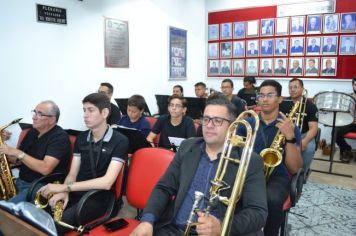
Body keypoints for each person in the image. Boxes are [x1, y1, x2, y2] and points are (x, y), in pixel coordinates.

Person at [130, 94, 268, 236]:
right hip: (174, 229)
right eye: (206, 119)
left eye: (218, 120)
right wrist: (147, 220)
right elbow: (164, 187)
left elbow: (257, 212)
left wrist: (222, 226)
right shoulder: (187, 147)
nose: (209, 125)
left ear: (232, 126)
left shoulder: (250, 160)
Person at [37, 93, 129, 235]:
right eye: (84, 110)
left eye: (90, 110)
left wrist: (65, 187)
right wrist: (64, 192)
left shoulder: (121, 140)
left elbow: (106, 182)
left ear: (105, 113)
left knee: (52, 227)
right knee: (38, 218)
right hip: (75, 191)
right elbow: (72, 173)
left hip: (99, 198)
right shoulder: (81, 138)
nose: (85, 115)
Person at [251, 80, 302, 236]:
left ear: (280, 99)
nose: (264, 99)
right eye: (261, 95)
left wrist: (290, 138)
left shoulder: (290, 126)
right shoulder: (247, 123)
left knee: (272, 198)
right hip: (249, 174)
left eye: (270, 95)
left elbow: (295, 168)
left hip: (277, 176)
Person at [0, 101, 70, 204]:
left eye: (40, 114)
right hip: (20, 181)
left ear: (52, 119)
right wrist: (4, 148)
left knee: (6, 209)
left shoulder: (60, 138)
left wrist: (17, 152)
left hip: (41, 187)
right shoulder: (32, 132)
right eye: (34, 112)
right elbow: (16, 160)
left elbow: (45, 169)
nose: (34, 117)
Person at [287, 78, 318, 177]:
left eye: (295, 87)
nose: (292, 89)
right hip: (286, 133)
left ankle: (301, 174)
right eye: (290, 87)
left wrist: (304, 142)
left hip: (304, 134)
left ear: (302, 89)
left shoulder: (311, 106)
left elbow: (313, 128)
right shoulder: (283, 103)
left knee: (308, 149)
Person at [336, 77, 356, 163]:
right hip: (349, 123)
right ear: (353, 85)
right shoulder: (348, 97)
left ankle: (346, 152)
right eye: (355, 85)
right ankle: (347, 149)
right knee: (335, 132)